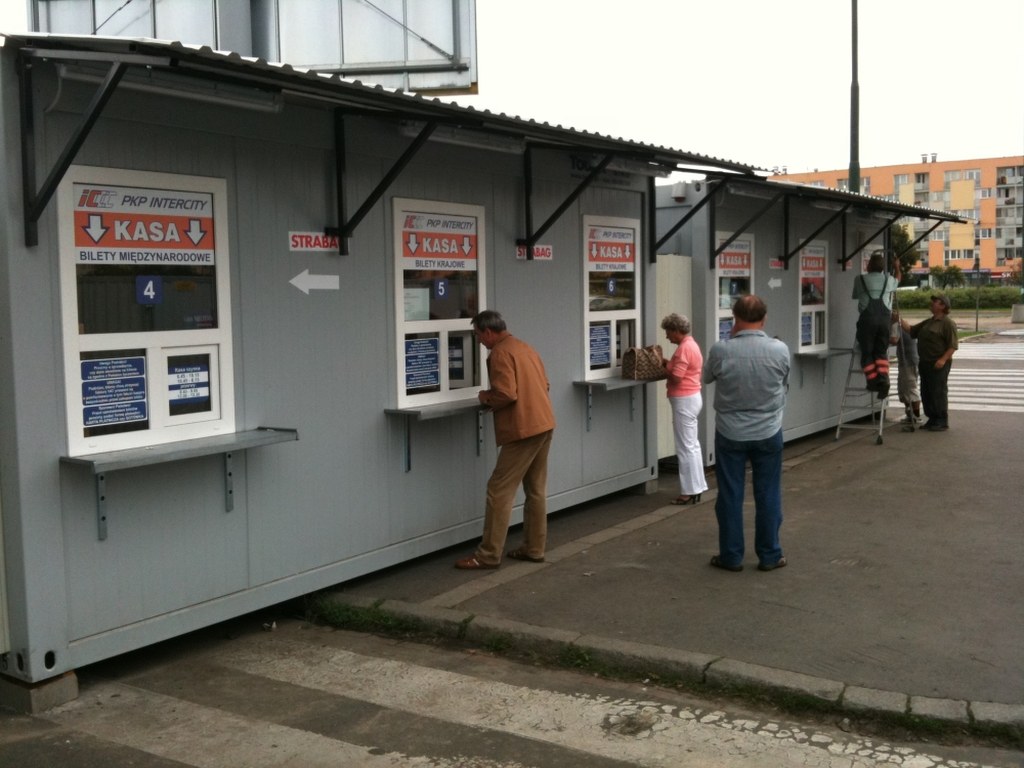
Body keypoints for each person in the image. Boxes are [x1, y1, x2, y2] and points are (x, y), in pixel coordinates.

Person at [455, 310, 556, 569]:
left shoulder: (500, 353)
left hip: (523, 429)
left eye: (478, 335)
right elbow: (545, 384)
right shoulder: (525, 347)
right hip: (544, 423)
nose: (479, 341)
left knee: (498, 490)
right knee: (536, 490)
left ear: (489, 331)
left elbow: (506, 394)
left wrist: (485, 397)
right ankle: (534, 549)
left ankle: (487, 555)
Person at [703, 295, 791, 573]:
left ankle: (731, 556)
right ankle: (770, 554)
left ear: (735, 318)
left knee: (730, 494)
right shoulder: (779, 350)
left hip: (730, 432)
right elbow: (784, 381)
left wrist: (731, 341)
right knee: (768, 493)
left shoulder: (721, 349)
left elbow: (706, 378)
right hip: (768, 430)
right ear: (764, 319)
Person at [660, 313, 708, 505]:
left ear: (676, 330)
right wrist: (668, 364)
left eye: (668, 332)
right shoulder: (692, 345)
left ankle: (688, 492)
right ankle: (697, 486)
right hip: (693, 396)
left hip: (683, 399)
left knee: (684, 447)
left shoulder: (683, 349)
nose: (667, 336)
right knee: (692, 445)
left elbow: (677, 377)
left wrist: (662, 368)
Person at [901, 294, 958, 432]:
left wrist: (942, 359)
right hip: (925, 362)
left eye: (935, 302)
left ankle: (941, 420)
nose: (931, 303)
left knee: (938, 391)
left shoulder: (947, 323)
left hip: (938, 363)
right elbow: (911, 331)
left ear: (943, 306)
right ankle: (932, 419)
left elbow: (953, 346)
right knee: (926, 392)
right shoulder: (928, 322)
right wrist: (899, 320)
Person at [851, 253, 901, 395]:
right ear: (882, 268)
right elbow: (898, 279)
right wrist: (897, 267)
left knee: (867, 352)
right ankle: (883, 380)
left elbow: (855, 296)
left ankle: (873, 382)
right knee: (880, 352)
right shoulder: (888, 279)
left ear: (868, 266)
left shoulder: (859, 279)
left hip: (867, 320)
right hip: (884, 320)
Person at [889, 309, 922, 430]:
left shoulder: (896, 325)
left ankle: (916, 415)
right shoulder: (903, 324)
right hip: (909, 360)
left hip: (908, 361)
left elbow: (894, 340)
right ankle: (910, 413)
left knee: (910, 388)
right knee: (904, 388)